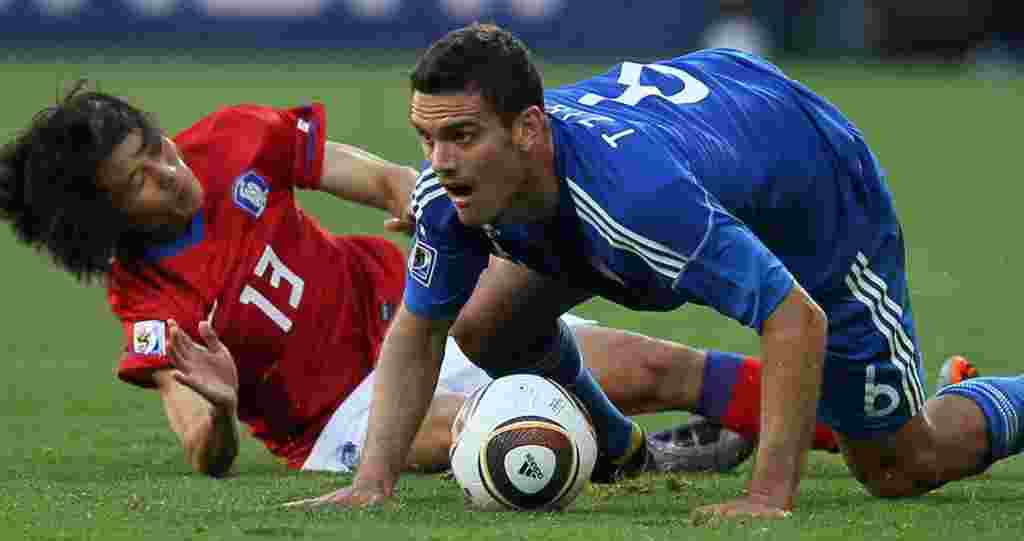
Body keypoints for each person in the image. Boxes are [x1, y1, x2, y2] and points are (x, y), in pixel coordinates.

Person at [307, 23, 1013, 520]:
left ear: (528, 130)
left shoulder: (638, 202)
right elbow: (419, 329)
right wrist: (373, 483)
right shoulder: (451, 194)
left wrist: (767, 497)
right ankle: (623, 451)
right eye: (427, 138)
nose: (441, 161)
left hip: (808, 178)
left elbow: (795, 318)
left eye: (462, 135)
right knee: (485, 324)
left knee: (896, 463)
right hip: (703, 131)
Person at [0, 83, 803, 479]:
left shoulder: (233, 142)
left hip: (411, 304)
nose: (170, 174)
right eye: (140, 180)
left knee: (654, 365)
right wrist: (215, 407)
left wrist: (434, 218)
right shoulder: (147, 302)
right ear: (104, 217)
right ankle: (642, 463)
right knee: (490, 426)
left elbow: (385, 182)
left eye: (158, 147)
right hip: (337, 417)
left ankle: (865, 419)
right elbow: (204, 452)